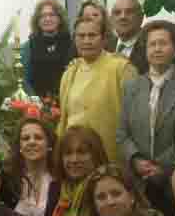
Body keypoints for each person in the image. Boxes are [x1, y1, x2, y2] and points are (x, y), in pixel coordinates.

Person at [117, 20, 175, 216]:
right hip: (139, 181)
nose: (157, 49)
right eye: (152, 44)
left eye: (163, 43)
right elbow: (122, 133)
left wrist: (162, 167)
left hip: (174, 178)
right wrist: (136, 160)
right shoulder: (132, 87)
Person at [58, 16, 137, 162]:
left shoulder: (121, 68)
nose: (86, 41)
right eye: (81, 36)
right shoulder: (69, 73)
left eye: (92, 35)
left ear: (104, 39)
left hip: (109, 157)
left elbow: (135, 119)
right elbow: (63, 121)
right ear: (74, 39)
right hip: (74, 158)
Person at [0, 117, 59, 216]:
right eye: (26, 138)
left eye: (38, 137)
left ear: (49, 144)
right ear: (19, 146)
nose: (32, 142)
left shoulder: (59, 179)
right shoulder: (6, 180)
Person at [20, 0, 75, 100]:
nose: (47, 19)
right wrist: (37, 104)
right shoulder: (28, 47)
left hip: (67, 103)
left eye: (52, 15)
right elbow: (24, 80)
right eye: (43, 16)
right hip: (35, 107)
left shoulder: (73, 45)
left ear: (60, 18)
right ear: (37, 20)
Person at [109, 0, 148, 74]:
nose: (123, 17)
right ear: (111, 19)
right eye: (117, 13)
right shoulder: (103, 47)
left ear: (141, 17)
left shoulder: (151, 47)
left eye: (129, 12)